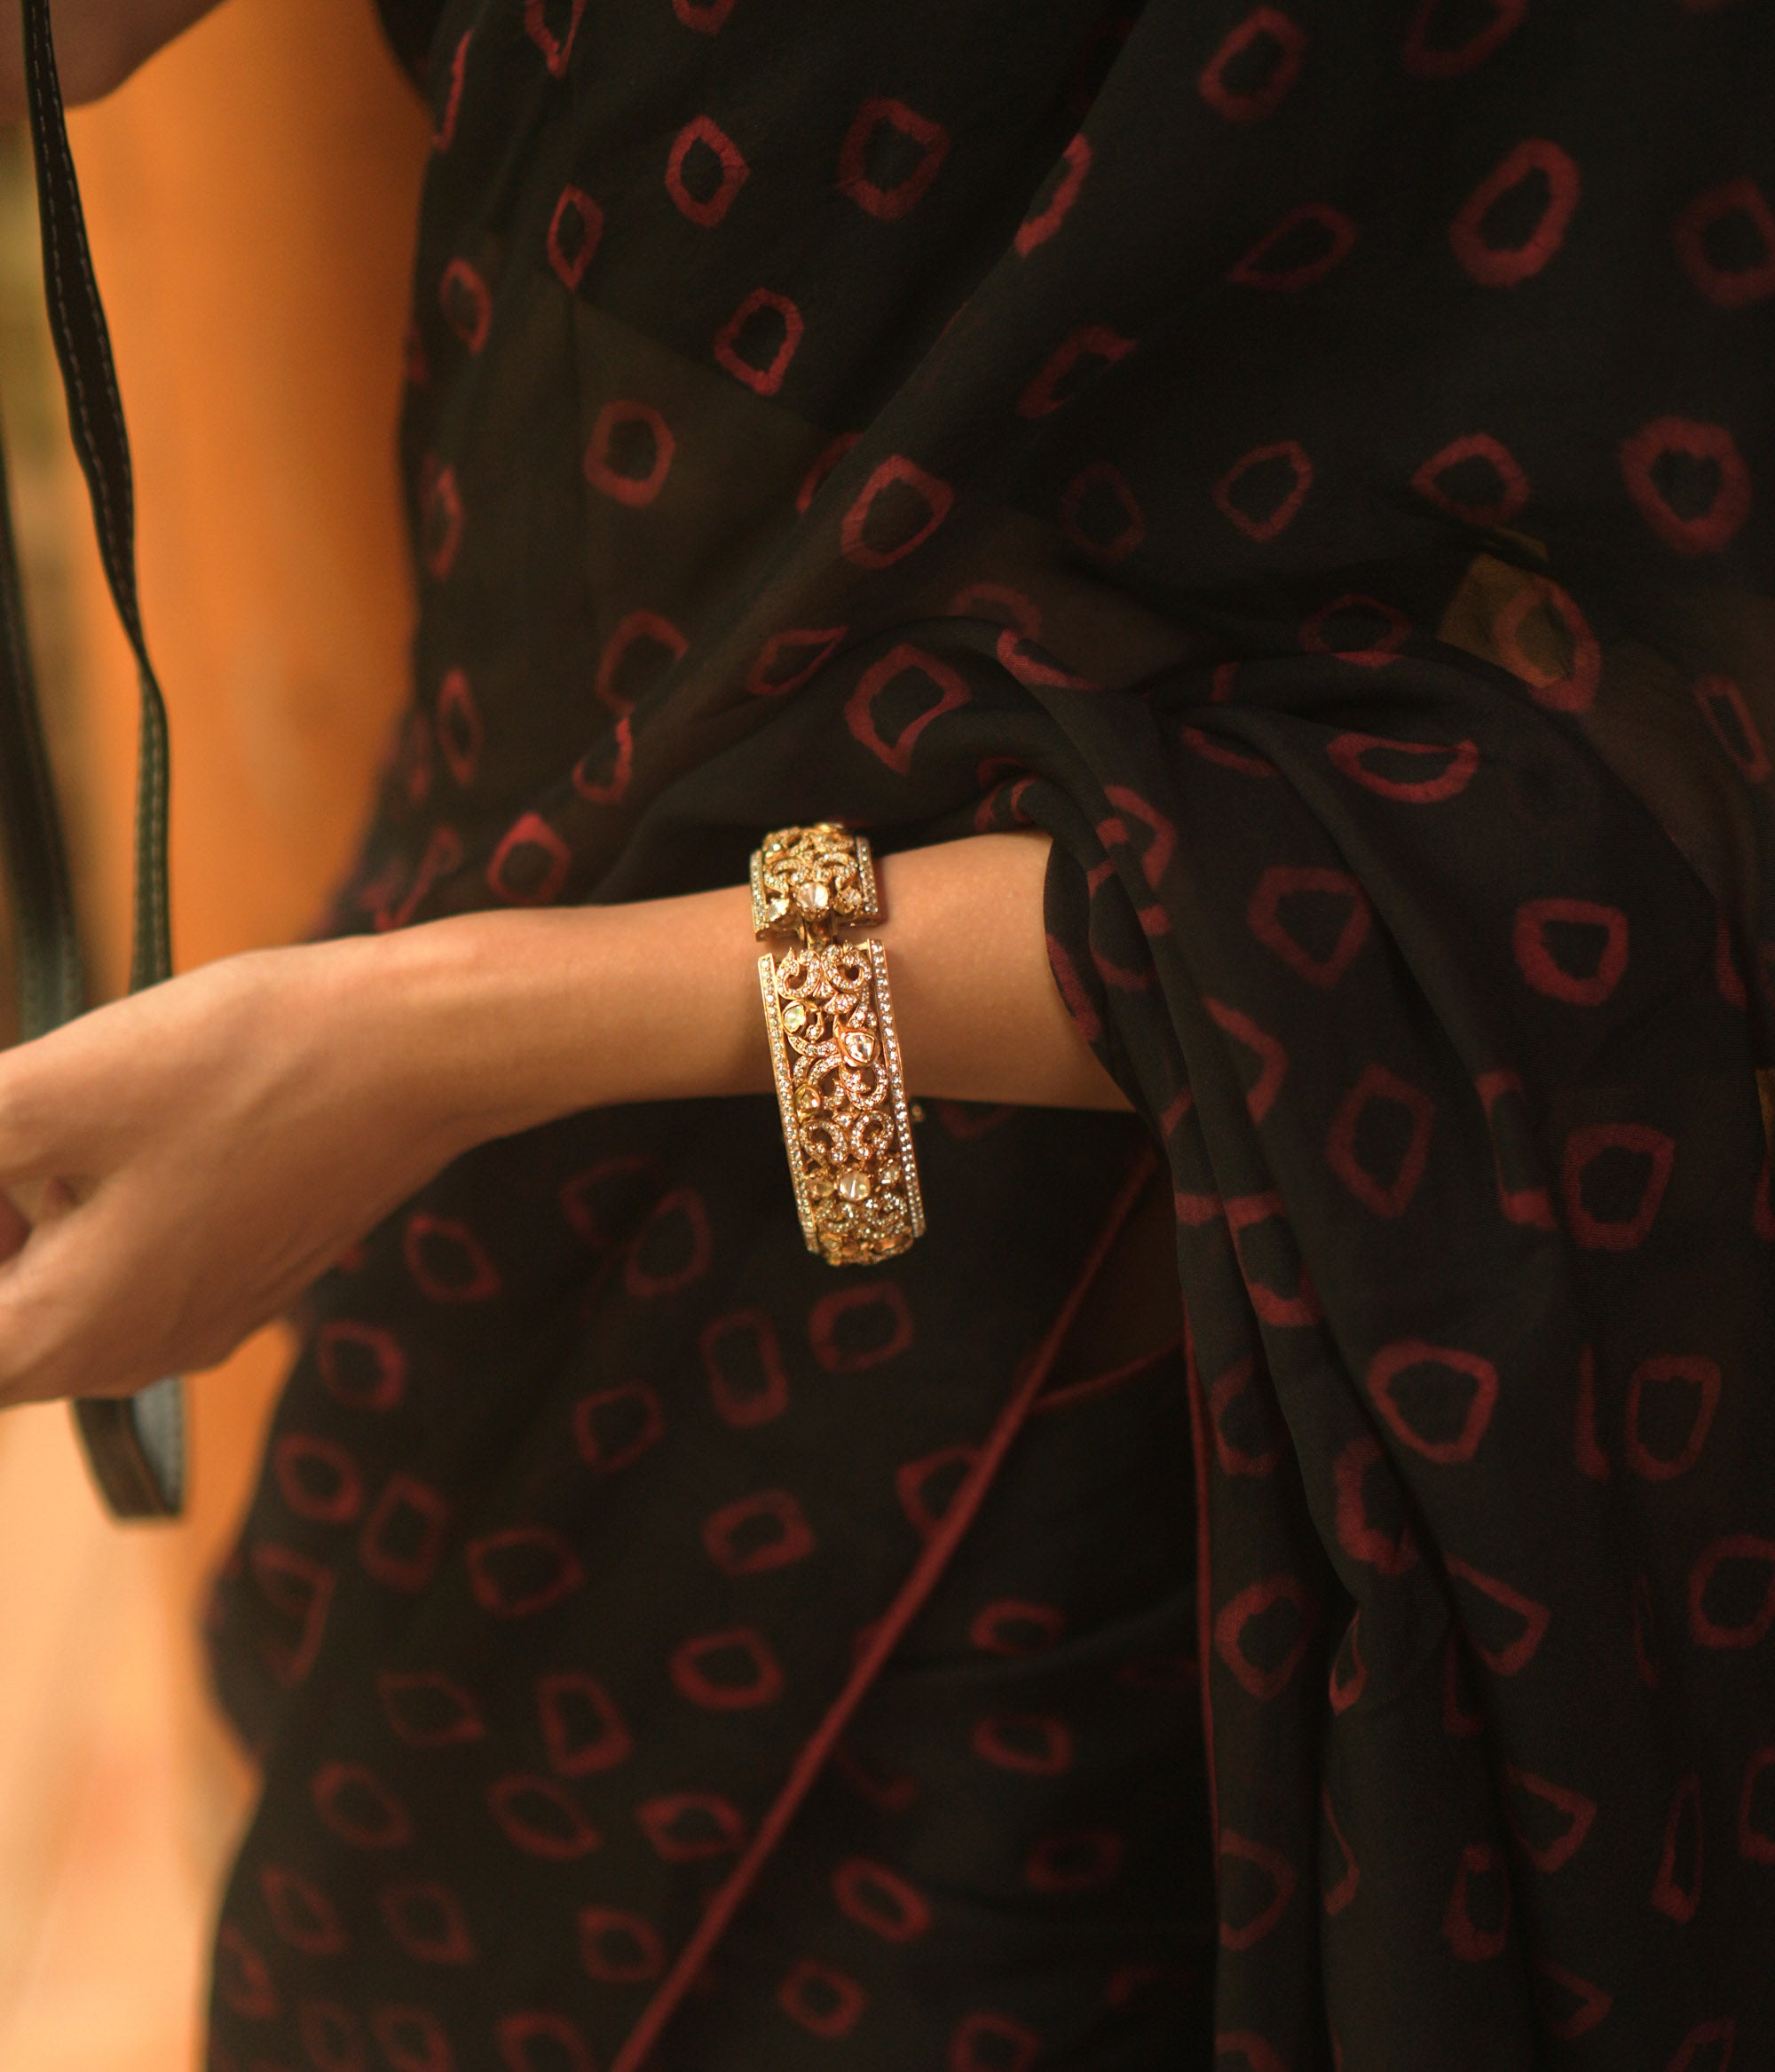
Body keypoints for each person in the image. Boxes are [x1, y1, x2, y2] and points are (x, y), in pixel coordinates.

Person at [3, 1, 1773, 2067]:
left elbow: (1652, 808)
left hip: (1127, 1433)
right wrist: (417, 1054)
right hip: (495, 1235)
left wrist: (431, 1044)